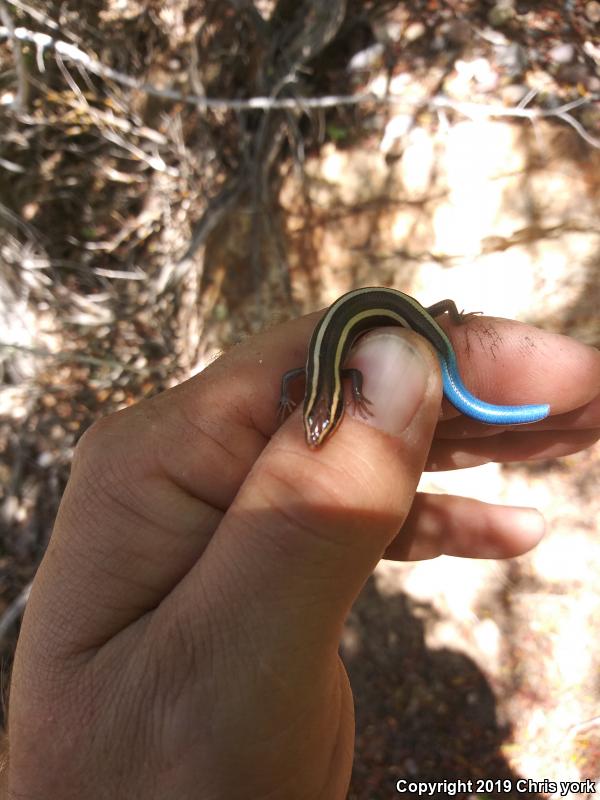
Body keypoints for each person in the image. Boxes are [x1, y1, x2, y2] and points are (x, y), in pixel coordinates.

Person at [3, 307, 600, 799]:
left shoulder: (338, 383)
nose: (319, 432)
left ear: (336, 399)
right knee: (451, 359)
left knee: (443, 337)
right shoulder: (316, 384)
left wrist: (374, 398)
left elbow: (317, 386)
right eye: (322, 420)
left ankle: (458, 338)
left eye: (326, 420)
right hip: (371, 321)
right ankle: (478, 358)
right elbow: (295, 386)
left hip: (384, 313)